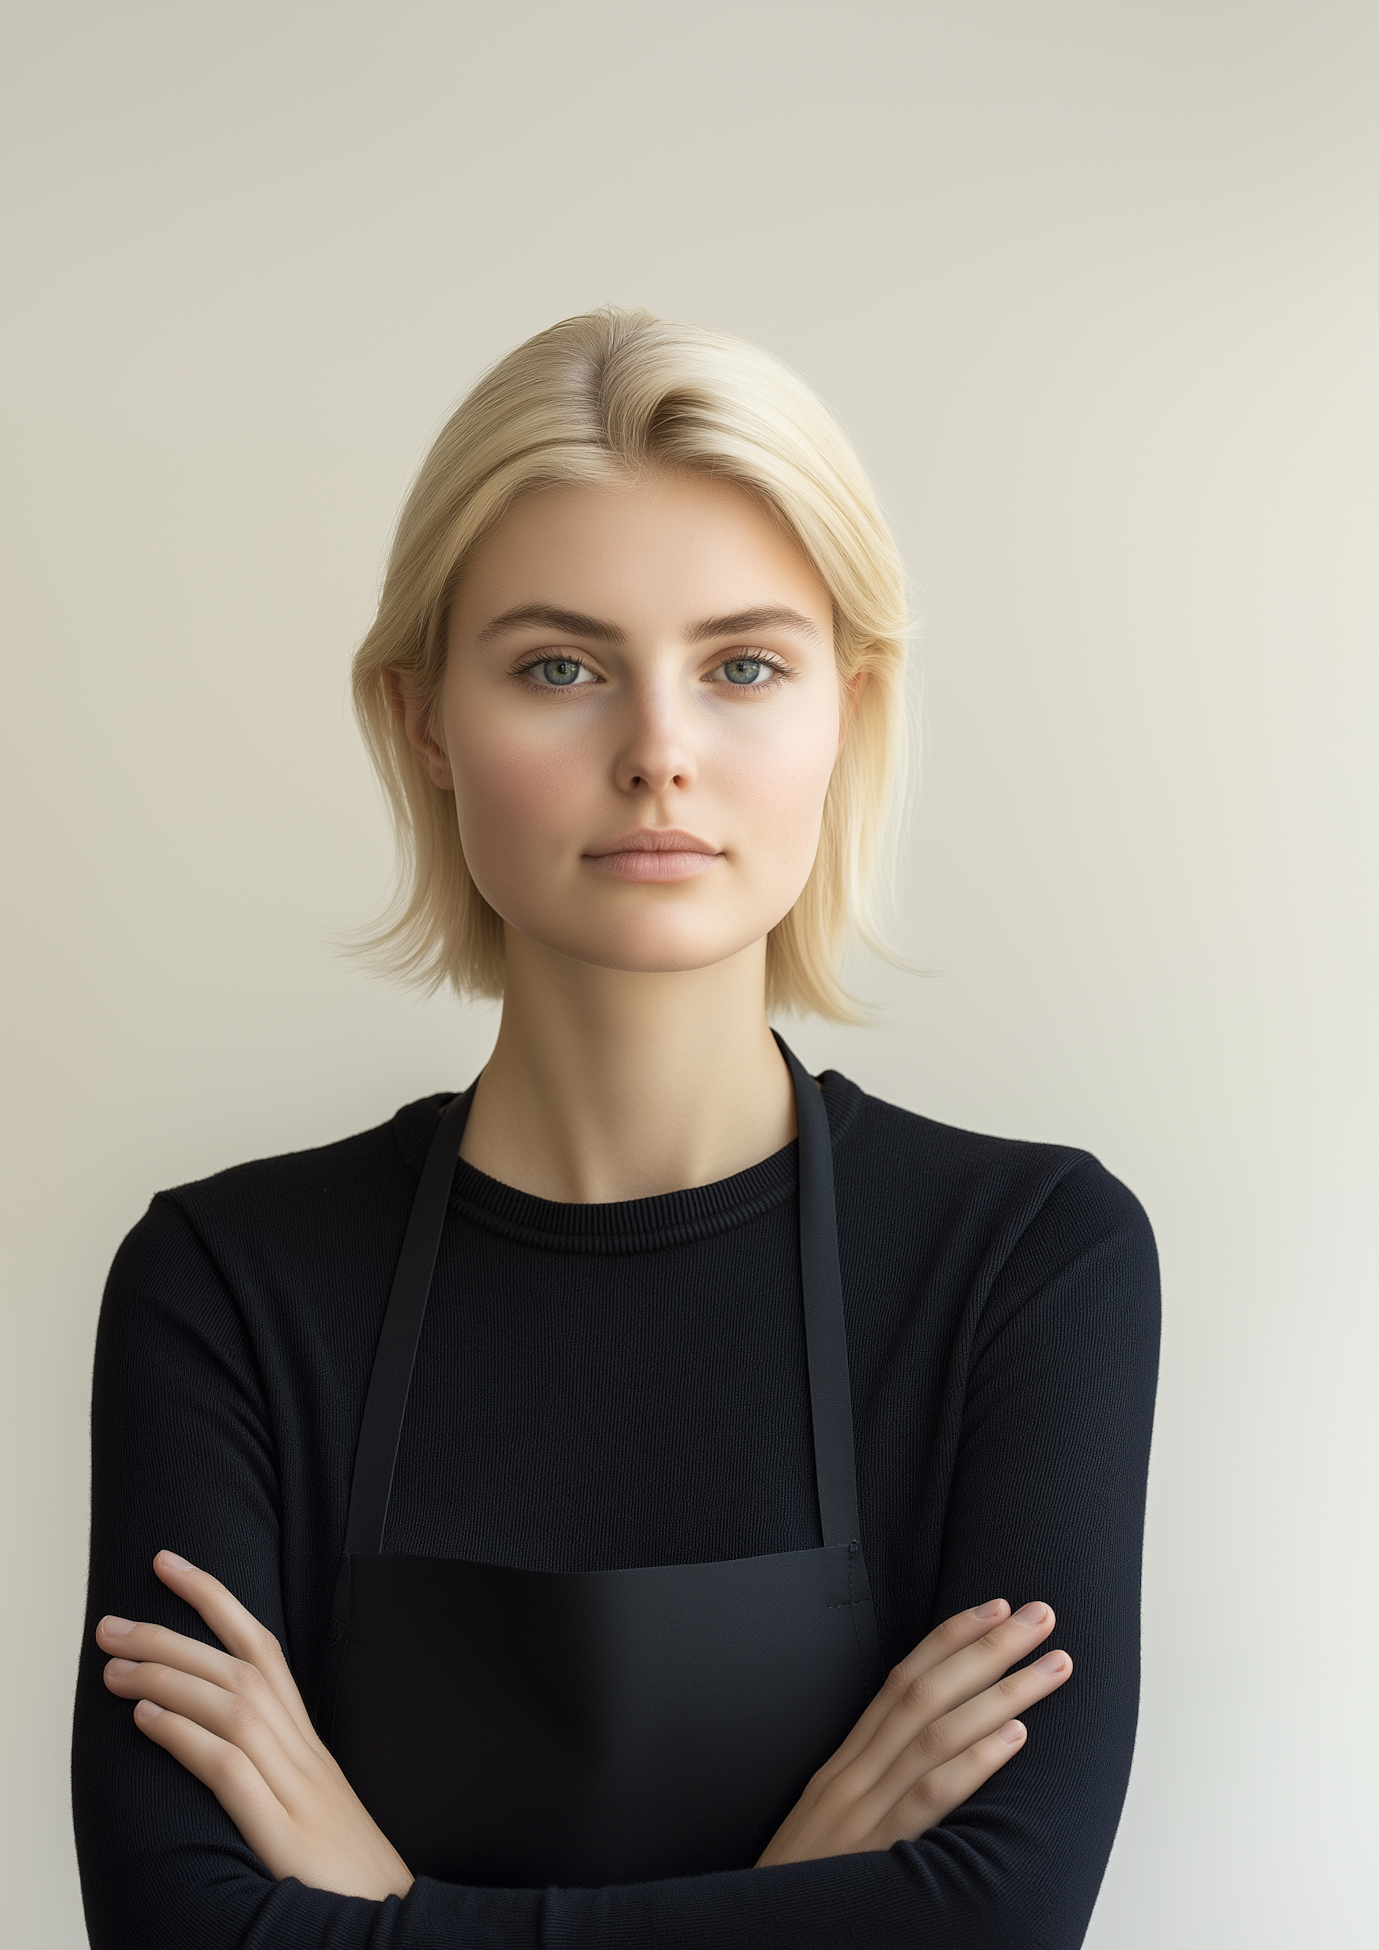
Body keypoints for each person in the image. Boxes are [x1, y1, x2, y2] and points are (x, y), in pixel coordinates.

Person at [71, 307, 1159, 1949]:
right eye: (560, 667)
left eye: (743, 666)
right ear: (427, 721)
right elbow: (177, 1928)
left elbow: (996, 1921)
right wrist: (798, 1905)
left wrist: (378, 1901)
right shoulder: (225, 1288)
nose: (659, 754)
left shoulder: (1023, 1267)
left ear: (846, 711)